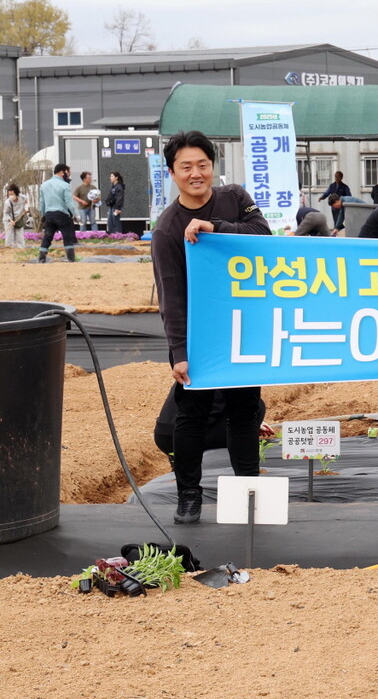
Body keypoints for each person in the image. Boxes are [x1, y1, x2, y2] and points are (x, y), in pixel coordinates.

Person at [151, 130, 270, 524]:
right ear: (172, 173)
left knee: (244, 413)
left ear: (212, 166)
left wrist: (215, 227)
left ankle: (249, 493)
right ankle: (189, 496)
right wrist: (180, 353)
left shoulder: (234, 197)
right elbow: (171, 296)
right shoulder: (167, 228)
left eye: (202, 164)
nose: (196, 173)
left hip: (243, 327)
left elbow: (264, 236)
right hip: (199, 335)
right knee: (192, 417)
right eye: (186, 167)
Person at [153, 382, 269, 458]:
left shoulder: (198, 365)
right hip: (188, 436)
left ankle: (178, 465)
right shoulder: (231, 376)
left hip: (163, 434)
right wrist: (250, 424)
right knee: (257, 405)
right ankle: (228, 461)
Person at [37, 163, 78, 263]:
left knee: (47, 237)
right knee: (67, 237)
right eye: (67, 172)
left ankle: (41, 258)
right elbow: (69, 202)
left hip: (49, 215)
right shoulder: (65, 185)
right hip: (62, 214)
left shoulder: (44, 185)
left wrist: (43, 215)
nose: (68, 175)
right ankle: (71, 259)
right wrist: (75, 214)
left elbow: (42, 202)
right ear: (62, 172)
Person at [3, 183, 30, 249]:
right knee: (9, 236)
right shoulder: (7, 202)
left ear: (16, 193)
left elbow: (27, 201)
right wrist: (10, 220)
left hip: (19, 218)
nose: (11, 196)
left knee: (19, 236)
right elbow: (5, 213)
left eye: (12, 194)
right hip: (9, 220)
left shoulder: (22, 198)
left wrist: (26, 208)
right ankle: (9, 249)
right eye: (9, 194)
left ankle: (21, 249)